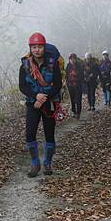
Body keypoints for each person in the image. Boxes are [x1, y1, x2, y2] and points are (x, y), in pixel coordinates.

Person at [19, 32, 62, 177]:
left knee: (49, 133)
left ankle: (48, 163)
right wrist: (35, 96)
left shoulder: (52, 63)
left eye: (39, 47)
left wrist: (44, 97)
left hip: (48, 103)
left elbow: (57, 84)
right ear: (30, 49)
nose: (36, 50)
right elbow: (22, 86)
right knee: (30, 133)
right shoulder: (25, 65)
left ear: (44, 47)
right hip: (32, 104)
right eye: (33, 47)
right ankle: (35, 163)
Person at [65, 53, 84, 119]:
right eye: (71, 59)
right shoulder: (68, 66)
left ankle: (78, 112)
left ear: (76, 59)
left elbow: (82, 76)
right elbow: (66, 76)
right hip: (70, 86)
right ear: (69, 59)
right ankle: (74, 111)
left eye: (74, 58)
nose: (72, 60)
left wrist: (77, 80)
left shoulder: (79, 66)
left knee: (78, 99)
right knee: (72, 99)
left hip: (78, 85)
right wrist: (67, 83)